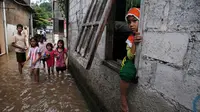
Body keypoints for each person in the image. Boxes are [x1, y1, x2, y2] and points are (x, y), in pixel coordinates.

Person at [119, 8, 142, 112]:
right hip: (129, 60)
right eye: (129, 22)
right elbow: (130, 56)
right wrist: (134, 44)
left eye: (134, 21)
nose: (131, 24)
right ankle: (123, 99)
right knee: (126, 71)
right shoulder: (131, 38)